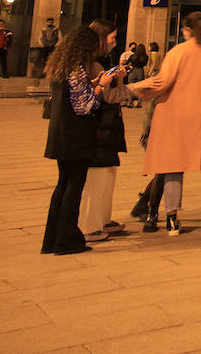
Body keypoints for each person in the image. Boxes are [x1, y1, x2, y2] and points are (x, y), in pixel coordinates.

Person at [128, 11, 201, 237]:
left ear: (188, 30)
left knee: (172, 167)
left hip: (175, 117)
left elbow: (162, 82)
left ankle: (171, 219)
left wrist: (135, 88)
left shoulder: (178, 51)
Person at [42, 26, 124, 255]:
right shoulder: (76, 68)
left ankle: (52, 239)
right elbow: (86, 106)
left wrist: (95, 82)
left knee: (62, 185)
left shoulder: (60, 66)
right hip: (76, 136)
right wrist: (101, 86)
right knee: (73, 188)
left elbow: (75, 96)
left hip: (59, 135)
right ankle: (67, 239)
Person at [79, 19, 128, 242]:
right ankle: (90, 225)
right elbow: (106, 96)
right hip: (98, 130)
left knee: (107, 174)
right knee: (98, 177)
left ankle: (103, 219)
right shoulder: (91, 65)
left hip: (106, 130)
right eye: (112, 38)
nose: (114, 42)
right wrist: (130, 88)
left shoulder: (97, 63)